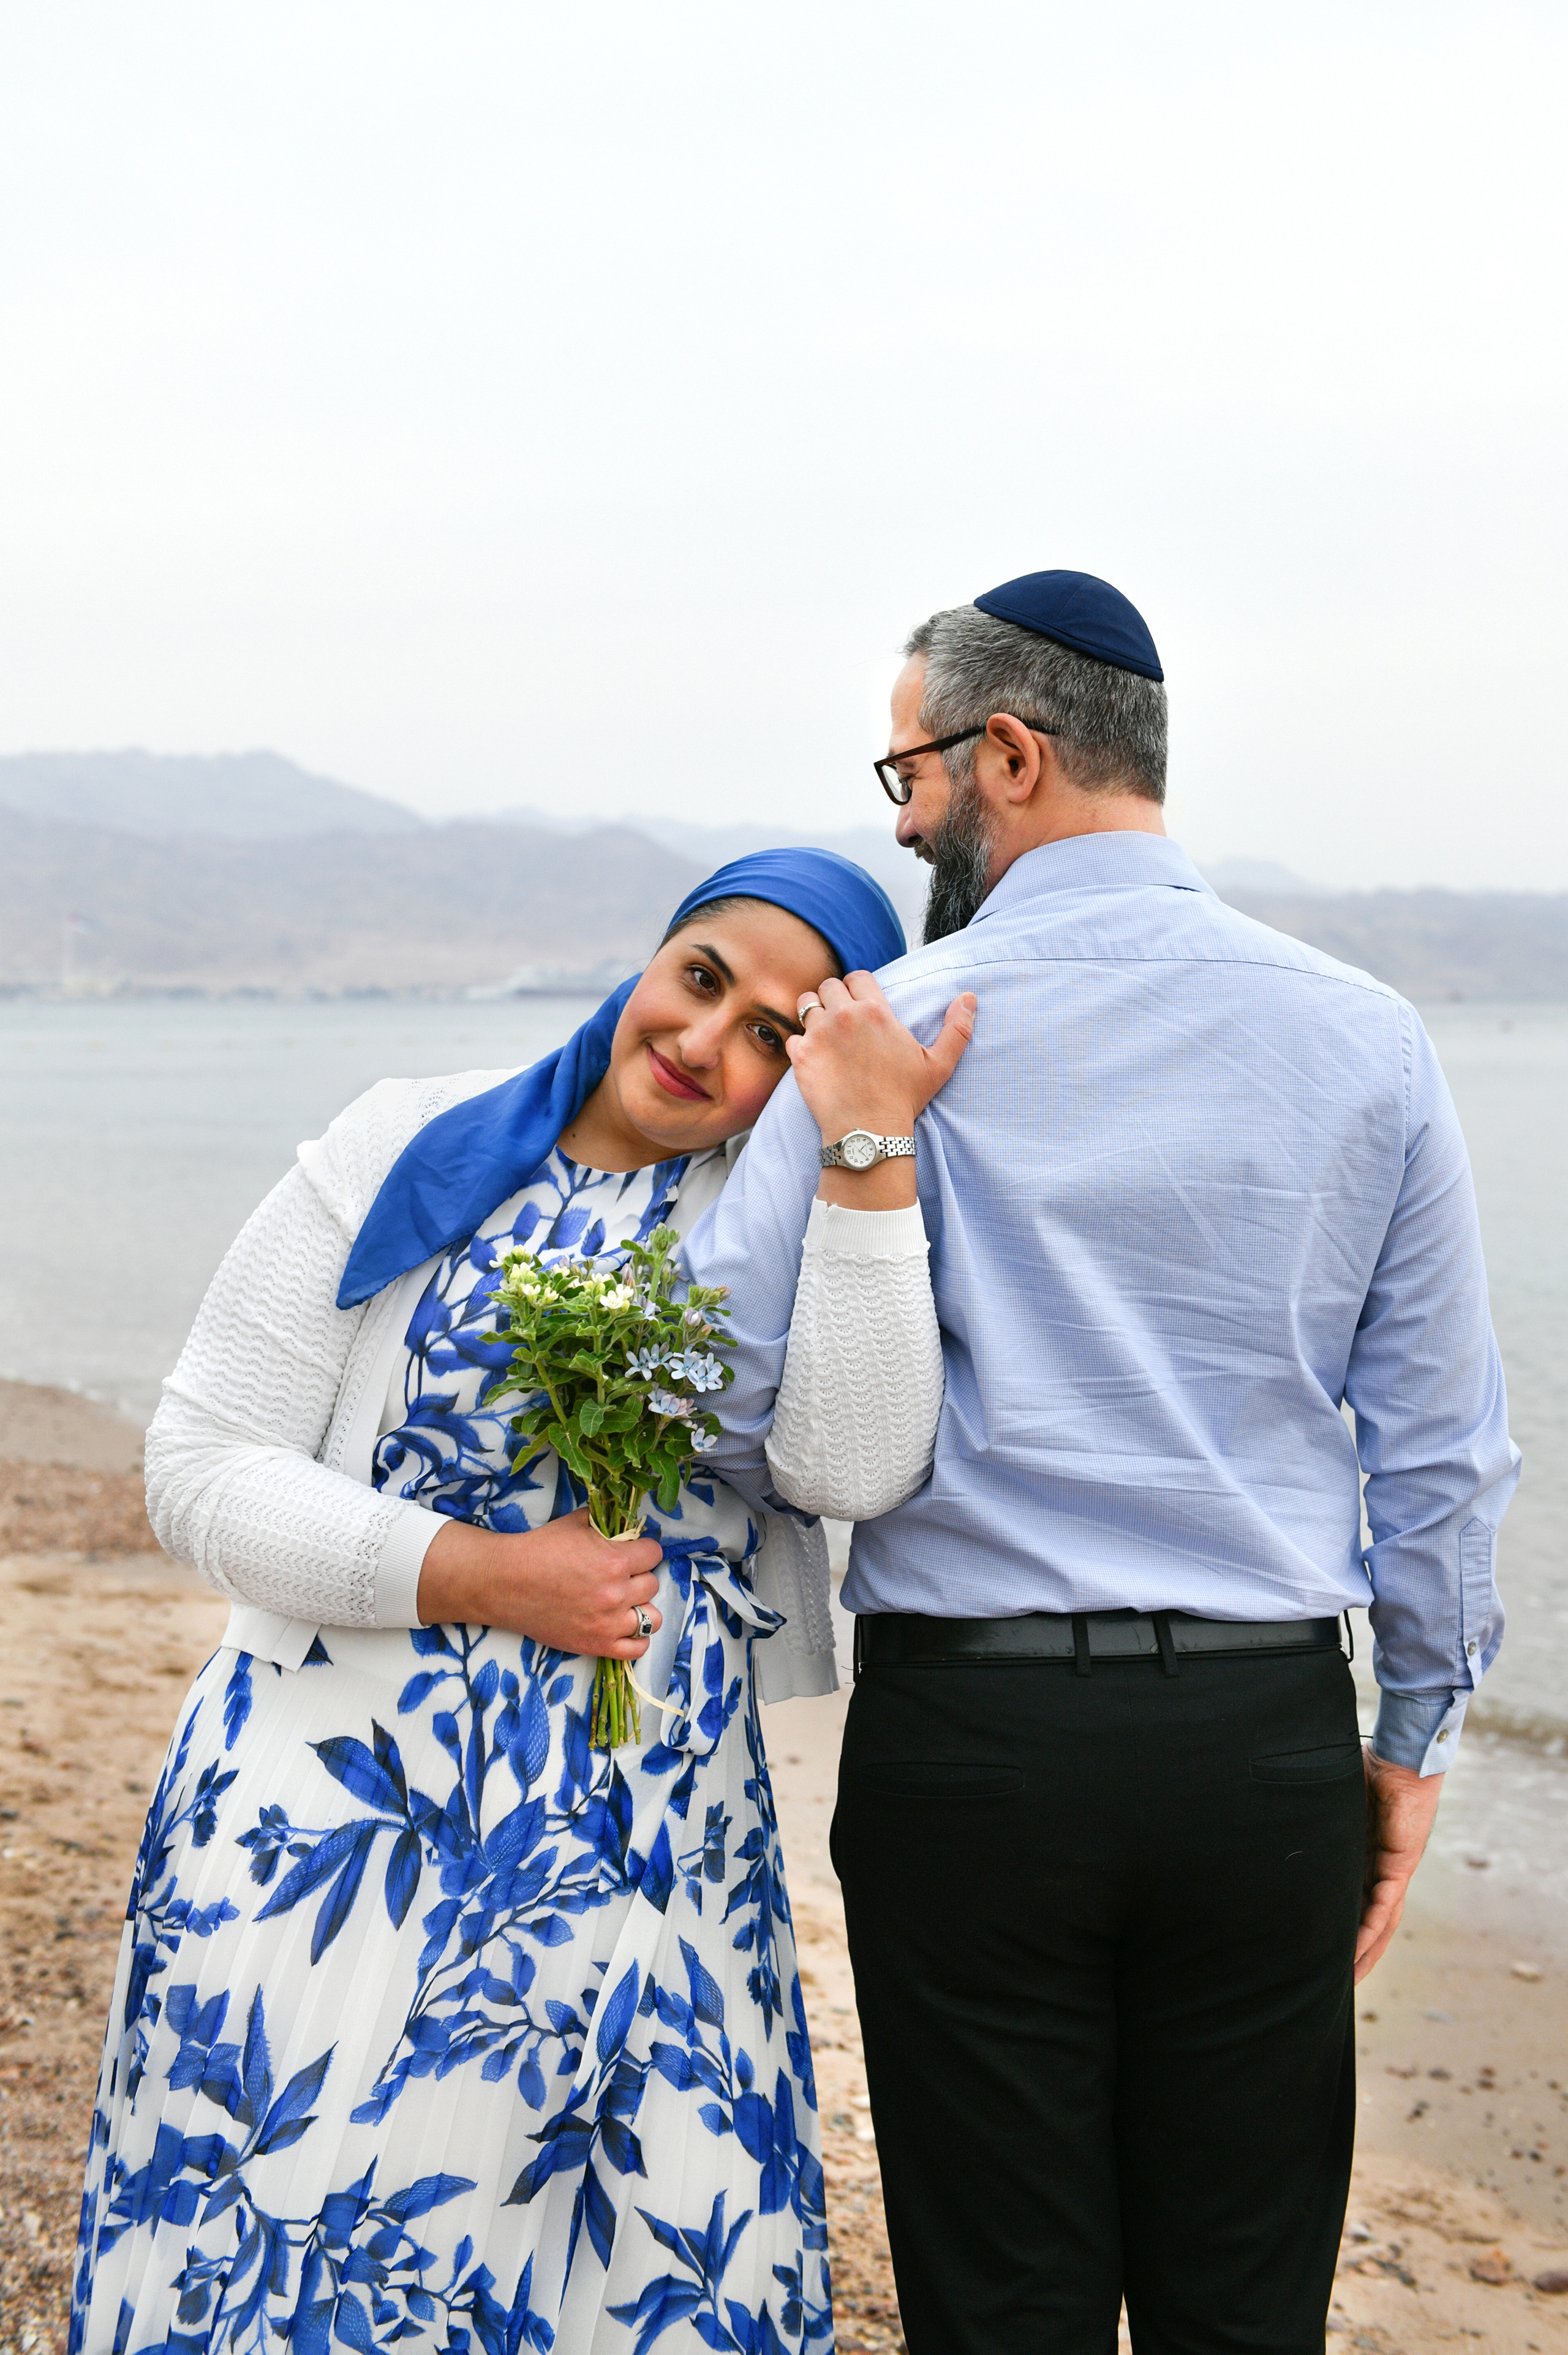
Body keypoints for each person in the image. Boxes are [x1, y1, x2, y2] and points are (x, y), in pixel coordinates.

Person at [687, 574, 1521, 2355]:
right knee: (1245, 2310)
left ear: (1011, 751)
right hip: (1257, 1746)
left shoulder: (869, 1040)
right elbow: (1445, 1449)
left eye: (908, 772)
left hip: (970, 1755)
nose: (902, 817)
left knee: (1003, 2312)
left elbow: (726, 1403)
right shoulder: (1365, 1036)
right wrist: (1410, 1738)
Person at [72, 849, 974, 2355]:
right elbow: (202, 1464)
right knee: (289, 2262)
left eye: (773, 1033)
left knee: (634, 2283)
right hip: (325, 1835)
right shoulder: (403, 1136)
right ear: (651, 959)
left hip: (650, 1855)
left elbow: (859, 1463)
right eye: (699, 980)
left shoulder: (781, 1221)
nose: (702, 1043)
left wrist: (868, 1145)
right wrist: (481, 1572)